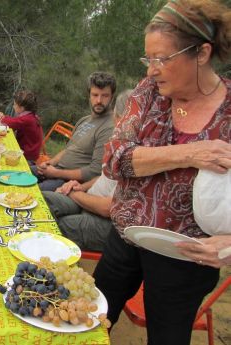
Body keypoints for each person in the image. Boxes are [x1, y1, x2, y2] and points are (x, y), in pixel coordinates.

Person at [93, 1, 231, 344]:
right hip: (125, 237)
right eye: (148, 59)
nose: (152, 70)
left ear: (201, 53)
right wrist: (191, 152)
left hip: (186, 258)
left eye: (162, 59)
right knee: (91, 318)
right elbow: (114, 159)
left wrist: (230, 246)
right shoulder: (148, 93)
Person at [43, 90, 132, 252]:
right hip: (88, 199)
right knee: (43, 202)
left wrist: (74, 194)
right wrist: (79, 187)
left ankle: (37, 270)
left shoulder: (141, 155)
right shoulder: (120, 143)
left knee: (58, 227)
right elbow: (104, 176)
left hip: (108, 223)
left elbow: (108, 208)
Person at [32, 72, 116, 191]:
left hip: (69, 182)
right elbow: (68, 149)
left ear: (112, 97)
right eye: (95, 94)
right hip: (56, 171)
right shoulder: (84, 120)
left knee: (30, 193)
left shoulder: (109, 127)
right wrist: (49, 164)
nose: (99, 100)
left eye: (105, 95)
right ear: (89, 95)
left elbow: (94, 172)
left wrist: (56, 173)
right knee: (17, 174)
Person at [0, 90, 44, 162]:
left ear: (22, 108)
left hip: (28, 155)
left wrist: (2, 117)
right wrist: (4, 117)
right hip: (31, 151)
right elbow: (15, 122)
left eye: (15, 104)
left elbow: (11, 123)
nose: (13, 106)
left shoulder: (28, 119)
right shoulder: (30, 116)